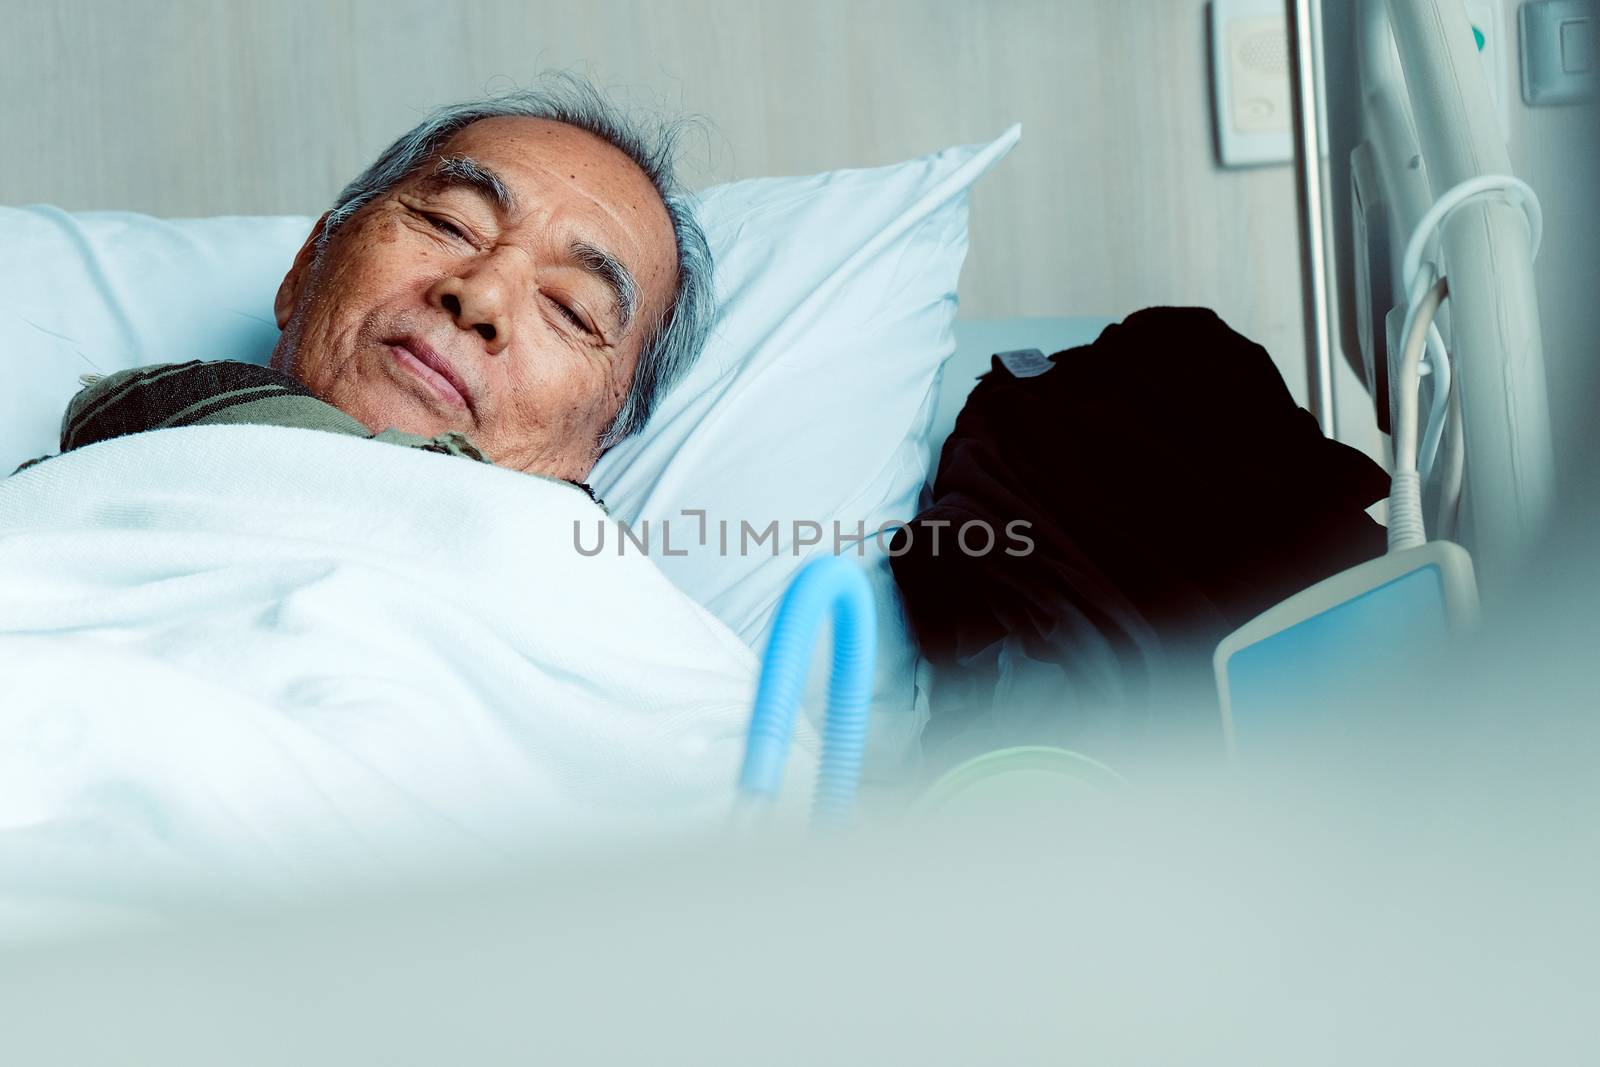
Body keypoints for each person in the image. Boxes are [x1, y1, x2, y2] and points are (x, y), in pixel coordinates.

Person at [19, 76, 715, 490]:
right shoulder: (54, 509)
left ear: (601, 440)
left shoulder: (613, 621)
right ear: (305, 267)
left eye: (569, 309)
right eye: (449, 223)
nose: (480, 296)